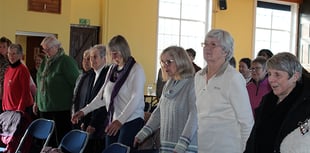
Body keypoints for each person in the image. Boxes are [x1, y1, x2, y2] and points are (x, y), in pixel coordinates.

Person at [71, 35, 145, 151]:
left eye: (116, 53)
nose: (113, 56)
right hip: (114, 119)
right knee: (109, 148)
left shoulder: (136, 69)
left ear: (123, 50)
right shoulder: (112, 69)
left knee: (120, 149)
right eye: (111, 53)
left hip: (131, 119)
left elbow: (136, 98)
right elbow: (102, 97)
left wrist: (120, 121)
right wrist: (83, 111)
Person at [195, 29, 254, 153]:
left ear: (226, 51)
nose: (207, 48)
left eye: (213, 44)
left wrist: (246, 150)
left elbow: (246, 122)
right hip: (203, 147)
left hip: (228, 147)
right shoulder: (198, 76)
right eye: (205, 44)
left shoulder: (233, 78)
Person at [134, 46, 198, 153]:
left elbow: (194, 116)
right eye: (162, 62)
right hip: (167, 144)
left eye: (169, 62)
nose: (165, 66)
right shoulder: (169, 84)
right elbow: (159, 112)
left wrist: (182, 144)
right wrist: (143, 133)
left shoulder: (193, 84)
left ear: (181, 61)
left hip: (186, 147)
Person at [244, 52, 310, 153]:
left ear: (295, 76)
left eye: (277, 75)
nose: (271, 79)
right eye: (269, 74)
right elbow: (254, 137)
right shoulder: (267, 100)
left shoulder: (304, 105)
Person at [34, 35, 80, 147]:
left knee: (59, 140)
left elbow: (76, 83)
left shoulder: (66, 61)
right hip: (44, 107)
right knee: (46, 142)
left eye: (48, 49)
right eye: (44, 49)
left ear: (56, 47)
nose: (45, 52)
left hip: (61, 109)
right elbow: (39, 82)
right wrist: (36, 101)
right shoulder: (45, 61)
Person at [72, 45, 110, 153]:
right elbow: (88, 101)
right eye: (90, 58)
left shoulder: (107, 75)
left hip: (101, 123)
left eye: (95, 57)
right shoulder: (92, 75)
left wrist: (94, 123)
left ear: (104, 58)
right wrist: (84, 120)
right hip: (89, 121)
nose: (91, 60)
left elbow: (103, 103)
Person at [1, 44, 34, 153]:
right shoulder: (8, 69)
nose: (11, 56)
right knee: (8, 140)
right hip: (9, 110)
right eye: (9, 53)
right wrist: (4, 107)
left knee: (18, 140)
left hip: (21, 110)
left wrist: (20, 110)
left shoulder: (23, 70)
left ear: (20, 55)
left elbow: (25, 92)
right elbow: (6, 90)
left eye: (14, 53)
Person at [0, 37, 12, 113]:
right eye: (0, 47)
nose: (1, 49)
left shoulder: (13, 59)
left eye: (4, 46)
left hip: (9, 92)